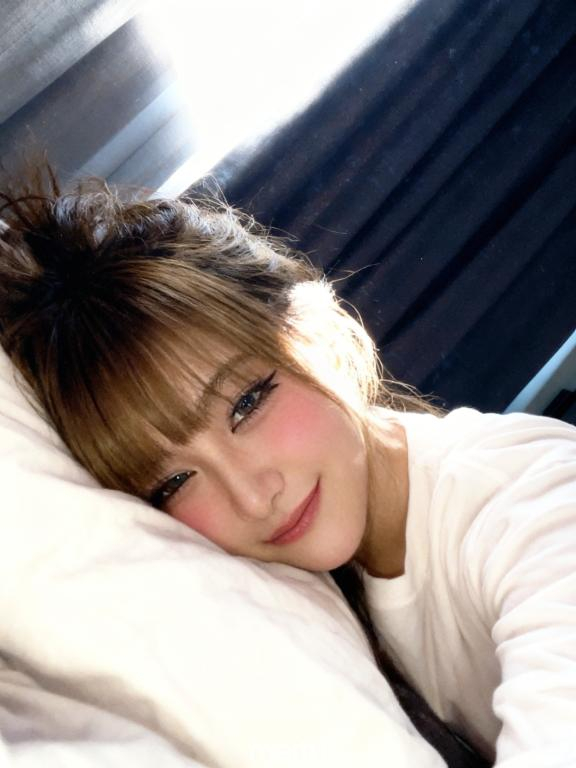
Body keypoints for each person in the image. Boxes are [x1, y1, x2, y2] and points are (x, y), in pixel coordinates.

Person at [0, 158, 574, 768]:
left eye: (247, 404)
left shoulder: (533, 498)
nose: (254, 497)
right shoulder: (299, 601)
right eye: (173, 482)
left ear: (309, 327)